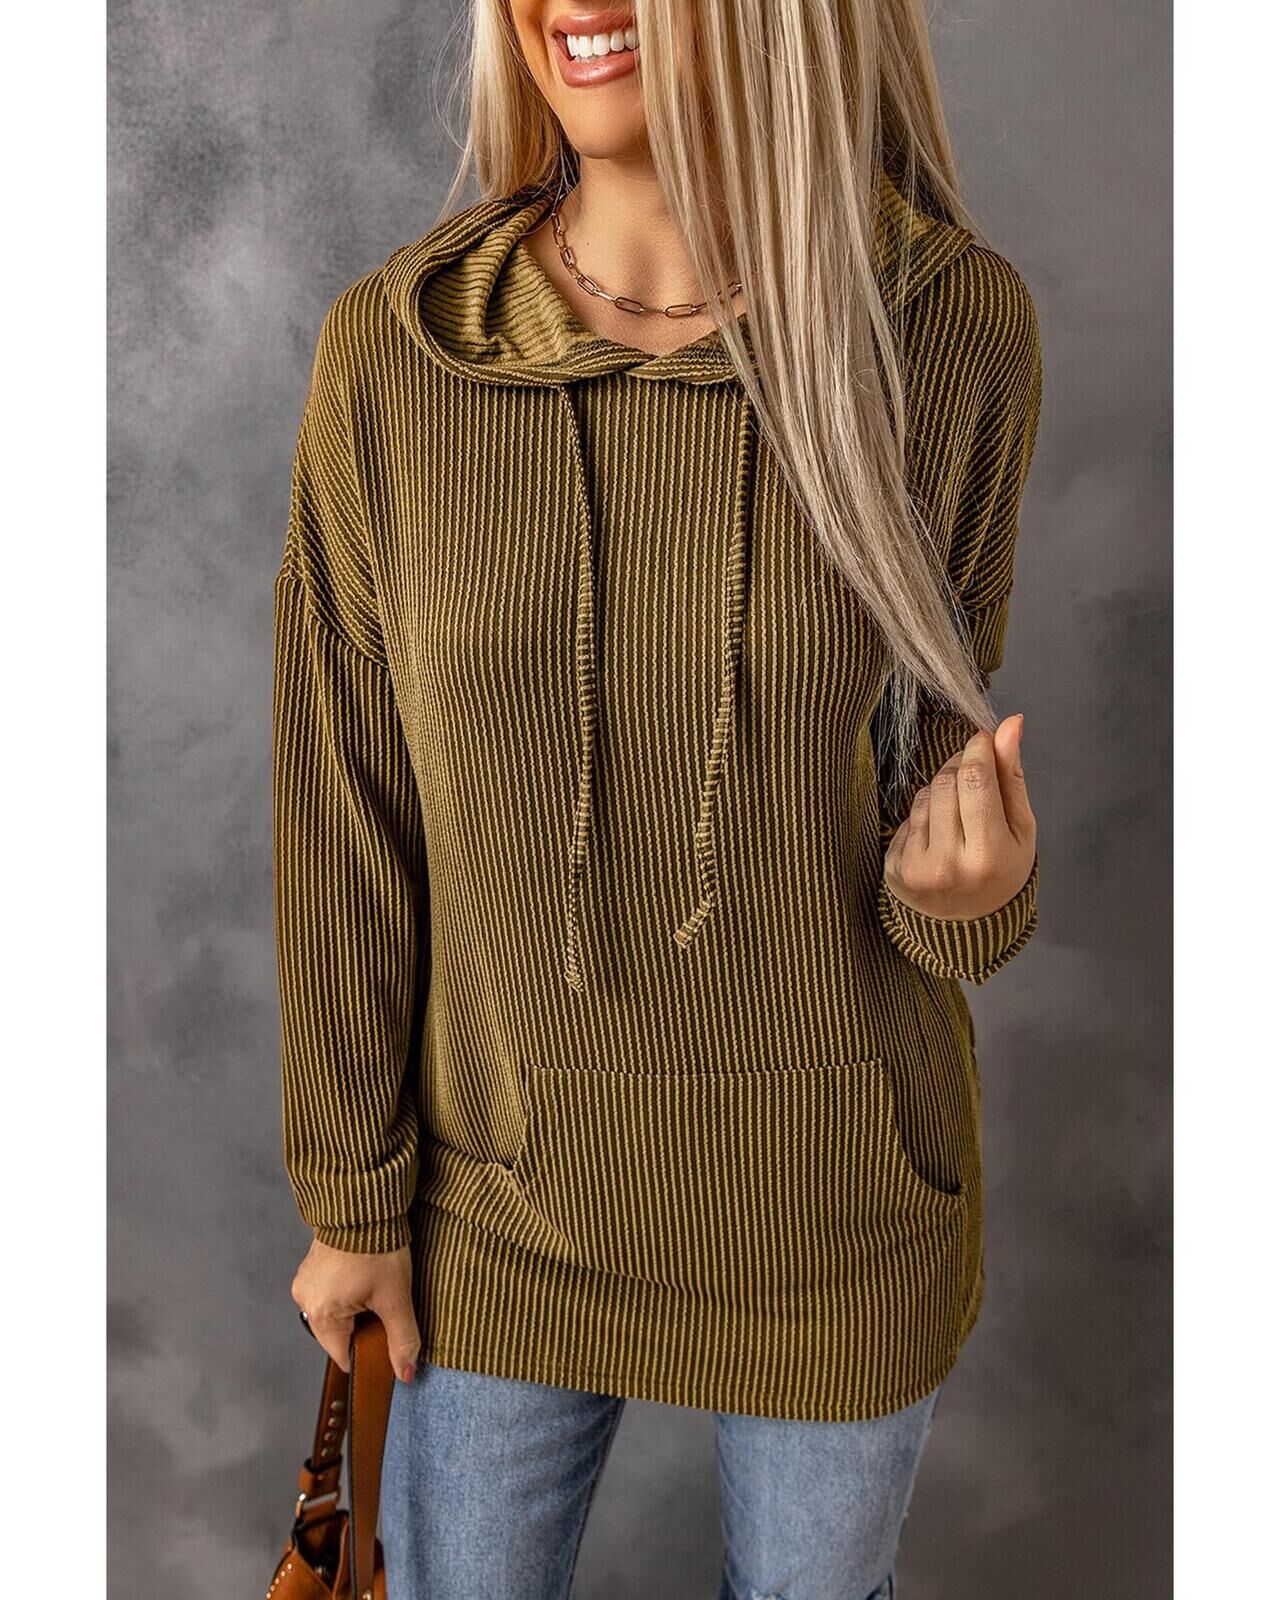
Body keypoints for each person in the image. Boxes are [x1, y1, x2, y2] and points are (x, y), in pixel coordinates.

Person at [273, 3, 1045, 1595]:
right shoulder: (398, 356)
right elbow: (343, 807)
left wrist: (971, 894)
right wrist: (352, 1193)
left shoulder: (945, 328)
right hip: (501, 1205)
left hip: (835, 1215)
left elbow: (934, 773)